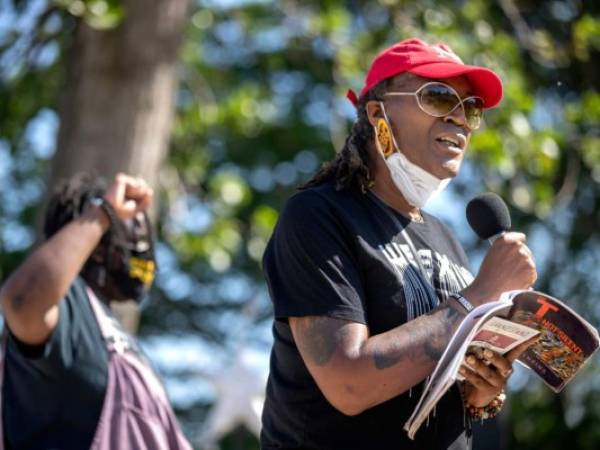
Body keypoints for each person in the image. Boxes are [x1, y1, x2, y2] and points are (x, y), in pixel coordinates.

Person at [260, 38, 537, 450]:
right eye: (440, 98)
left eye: (471, 108)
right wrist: (477, 295)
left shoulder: (447, 240)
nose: (460, 120)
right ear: (378, 114)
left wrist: (482, 391)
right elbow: (348, 384)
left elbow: (437, 386)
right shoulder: (319, 215)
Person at [0, 173, 192, 450]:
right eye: (132, 224)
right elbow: (21, 301)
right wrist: (105, 212)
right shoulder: (68, 308)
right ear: (99, 245)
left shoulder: (116, 338)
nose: (144, 246)